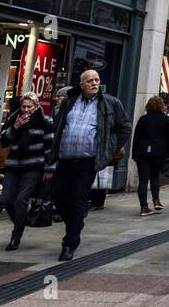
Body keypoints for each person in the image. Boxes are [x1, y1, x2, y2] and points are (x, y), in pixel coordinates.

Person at [42, 70, 129, 261]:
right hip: (65, 159)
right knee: (60, 199)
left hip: (87, 161)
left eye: (97, 80)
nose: (94, 83)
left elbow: (124, 128)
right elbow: (59, 127)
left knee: (78, 200)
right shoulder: (69, 102)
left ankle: (69, 243)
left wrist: (110, 148)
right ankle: (76, 222)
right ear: (81, 84)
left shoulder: (110, 103)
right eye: (89, 80)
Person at [0, 94, 53, 250]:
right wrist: (15, 128)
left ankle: (16, 237)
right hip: (13, 165)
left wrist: (49, 167)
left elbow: (50, 145)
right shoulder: (13, 120)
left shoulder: (45, 121)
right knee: (6, 199)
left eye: (30, 107)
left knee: (22, 200)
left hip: (33, 166)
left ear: (37, 106)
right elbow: (2, 142)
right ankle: (22, 221)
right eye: (24, 107)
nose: (26, 110)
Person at [132, 95, 169, 217]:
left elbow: (136, 137)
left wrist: (134, 154)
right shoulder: (166, 119)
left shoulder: (143, 119)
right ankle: (156, 200)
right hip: (159, 153)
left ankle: (144, 207)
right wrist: (168, 154)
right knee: (155, 177)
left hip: (143, 152)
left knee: (143, 180)